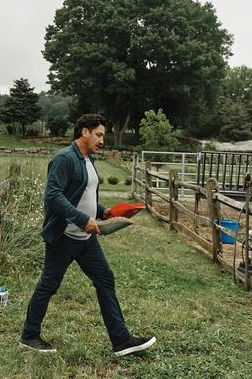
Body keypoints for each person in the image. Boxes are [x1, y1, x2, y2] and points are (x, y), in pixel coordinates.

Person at [20, 114, 156, 356]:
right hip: (64, 237)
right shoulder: (64, 158)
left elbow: (84, 195)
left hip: (86, 239)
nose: (102, 140)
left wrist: (104, 213)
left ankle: (121, 341)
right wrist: (84, 220)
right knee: (49, 284)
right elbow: (54, 196)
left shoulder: (88, 159)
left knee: (105, 280)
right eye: (99, 135)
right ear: (84, 132)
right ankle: (29, 335)